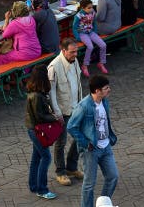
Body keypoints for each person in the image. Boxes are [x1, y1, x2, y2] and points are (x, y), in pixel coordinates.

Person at [67, 74, 119, 207]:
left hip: (106, 146)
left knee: (112, 176)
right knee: (89, 183)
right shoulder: (83, 106)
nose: (109, 90)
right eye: (106, 88)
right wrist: (85, 143)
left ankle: (103, 203)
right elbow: (72, 127)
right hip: (91, 150)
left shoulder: (104, 101)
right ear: (97, 91)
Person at [48, 38, 83, 187]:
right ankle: (60, 172)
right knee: (60, 143)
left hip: (76, 107)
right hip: (62, 111)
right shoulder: (54, 67)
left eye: (76, 51)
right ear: (63, 51)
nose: (75, 54)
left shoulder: (74, 61)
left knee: (80, 137)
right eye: (72, 52)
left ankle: (71, 167)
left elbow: (78, 84)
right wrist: (57, 113)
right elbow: (51, 94)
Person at [25, 64, 59, 200]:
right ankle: (42, 189)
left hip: (33, 128)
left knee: (36, 157)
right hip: (37, 130)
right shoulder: (37, 96)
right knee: (46, 157)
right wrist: (54, 117)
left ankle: (33, 185)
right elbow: (40, 116)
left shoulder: (34, 93)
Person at [0, 1, 41, 65]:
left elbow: (5, 35)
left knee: (1, 58)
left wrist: (7, 19)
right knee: (12, 54)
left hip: (25, 54)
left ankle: (7, 75)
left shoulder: (15, 23)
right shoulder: (31, 19)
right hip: (37, 51)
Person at [73, 0, 108, 77]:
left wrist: (94, 31)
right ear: (83, 8)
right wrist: (78, 37)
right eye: (89, 8)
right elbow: (74, 27)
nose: (91, 9)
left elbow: (94, 22)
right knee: (90, 47)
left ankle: (101, 63)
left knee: (103, 45)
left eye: (92, 7)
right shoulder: (78, 16)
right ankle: (85, 65)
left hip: (91, 32)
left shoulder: (93, 12)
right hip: (82, 34)